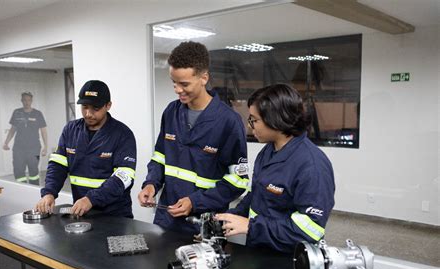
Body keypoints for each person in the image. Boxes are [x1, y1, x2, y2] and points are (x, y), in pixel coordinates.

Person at [138, 41, 249, 234]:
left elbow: (238, 182)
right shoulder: (171, 112)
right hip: (167, 220)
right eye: (174, 83)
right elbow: (160, 157)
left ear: (204, 78)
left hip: (204, 225)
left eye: (184, 84)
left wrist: (195, 201)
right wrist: (150, 184)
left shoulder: (229, 122)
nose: (177, 90)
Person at [215, 84, 335, 253]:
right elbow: (256, 195)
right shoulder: (268, 152)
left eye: (254, 120)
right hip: (261, 247)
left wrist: (252, 226)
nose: (250, 126)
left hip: (291, 258)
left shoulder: (312, 166)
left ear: (277, 119)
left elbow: (310, 230)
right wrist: (230, 217)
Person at [35, 80, 137, 217]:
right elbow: (58, 165)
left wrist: (91, 199)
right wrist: (49, 193)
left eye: (95, 108)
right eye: (84, 107)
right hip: (81, 212)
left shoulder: (123, 134)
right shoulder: (70, 130)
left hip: (115, 215)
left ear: (108, 105)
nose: (88, 113)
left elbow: (124, 177)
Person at [3, 92, 48, 185]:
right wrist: (6, 142)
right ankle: (21, 189)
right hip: (19, 148)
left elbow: (43, 131)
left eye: (28, 100)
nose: (27, 102)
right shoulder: (16, 112)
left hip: (34, 148)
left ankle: (34, 190)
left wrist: (45, 147)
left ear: (31, 101)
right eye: (24, 100)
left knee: (33, 171)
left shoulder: (38, 114)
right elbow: (12, 130)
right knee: (19, 170)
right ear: (21, 101)